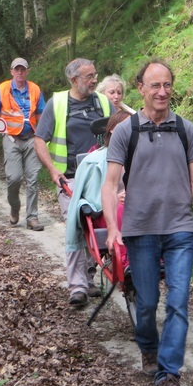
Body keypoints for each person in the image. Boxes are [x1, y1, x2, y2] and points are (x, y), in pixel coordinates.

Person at [101, 59, 193, 386]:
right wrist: (113, 227)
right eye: (155, 85)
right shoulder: (126, 131)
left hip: (180, 228)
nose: (162, 91)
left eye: (167, 84)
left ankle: (169, 371)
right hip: (140, 231)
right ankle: (148, 347)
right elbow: (110, 184)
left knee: (178, 302)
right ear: (140, 88)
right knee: (146, 303)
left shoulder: (186, 129)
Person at [34, 58, 114, 306]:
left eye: (95, 75)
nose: (94, 80)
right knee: (75, 226)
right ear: (74, 79)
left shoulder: (103, 102)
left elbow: (119, 134)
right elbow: (39, 140)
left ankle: (89, 278)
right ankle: (77, 286)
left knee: (96, 227)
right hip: (68, 177)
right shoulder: (57, 103)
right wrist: (52, 171)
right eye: (89, 76)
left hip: (100, 177)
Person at [65, 110, 131, 307]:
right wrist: (113, 198)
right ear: (112, 132)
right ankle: (127, 263)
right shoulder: (94, 161)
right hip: (105, 212)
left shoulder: (144, 156)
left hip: (138, 208)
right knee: (120, 209)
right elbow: (90, 195)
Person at [0, 58, 45, 231]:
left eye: (23, 70)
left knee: (33, 179)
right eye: (17, 70)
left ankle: (32, 217)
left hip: (31, 139)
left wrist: (42, 137)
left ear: (27, 71)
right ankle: (14, 207)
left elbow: (42, 115)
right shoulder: (3, 89)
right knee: (14, 178)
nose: (20, 73)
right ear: (12, 71)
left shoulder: (34, 89)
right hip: (11, 139)